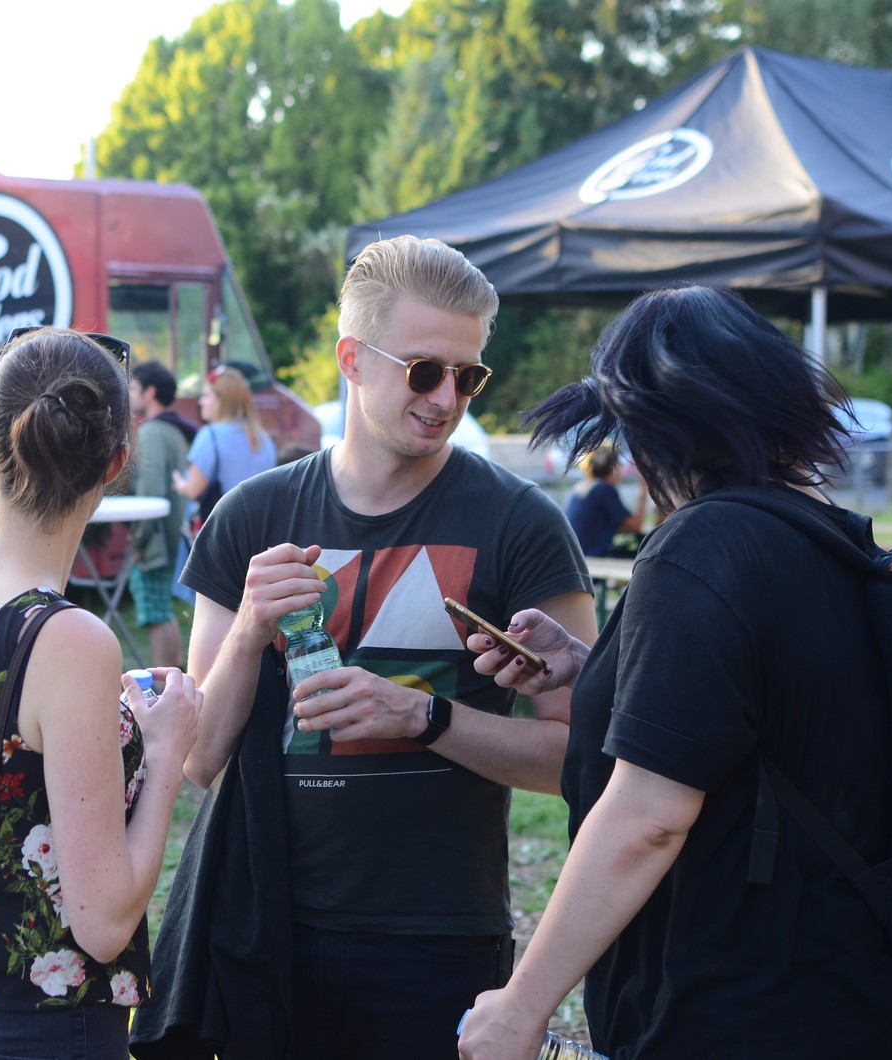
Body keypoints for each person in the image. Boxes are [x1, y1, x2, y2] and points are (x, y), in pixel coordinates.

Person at [131, 235, 596, 1059]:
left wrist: (423, 716)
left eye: (468, 376)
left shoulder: (521, 523)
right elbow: (199, 758)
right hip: (263, 920)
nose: (446, 398)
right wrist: (249, 629)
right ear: (352, 358)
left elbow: (581, 759)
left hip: (437, 935)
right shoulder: (252, 515)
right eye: (424, 370)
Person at [457, 286, 892, 1059]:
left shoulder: (701, 548)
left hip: (738, 1011)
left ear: (657, 426)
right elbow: (769, 724)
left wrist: (521, 1007)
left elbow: (649, 816)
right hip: (859, 995)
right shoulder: (830, 536)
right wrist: (594, 671)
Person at [0, 325, 202, 1059]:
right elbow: (103, 925)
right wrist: (165, 754)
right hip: (45, 1031)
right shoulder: (69, 639)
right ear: (115, 462)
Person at [127, 361, 194, 669]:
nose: (129, 394)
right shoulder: (175, 428)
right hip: (171, 532)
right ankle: (173, 675)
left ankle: (161, 681)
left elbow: (150, 492)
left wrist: (140, 541)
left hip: (156, 538)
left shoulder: (153, 431)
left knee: (155, 610)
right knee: (162, 607)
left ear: (150, 392)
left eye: (134, 387)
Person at [171, 366, 275, 520]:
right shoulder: (263, 438)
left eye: (206, 395)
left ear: (221, 400)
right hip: (259, 523)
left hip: (225, 525)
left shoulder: (210, 436)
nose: (201, 402)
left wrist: (180, 484)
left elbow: (193, 490)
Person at [563, 443, 648, 557]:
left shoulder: (580, 487)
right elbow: (635, 526)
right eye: (620, 465)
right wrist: (644, 490)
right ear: (614, 468)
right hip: (593, 557)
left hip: (577, 556)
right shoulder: (604, 490)